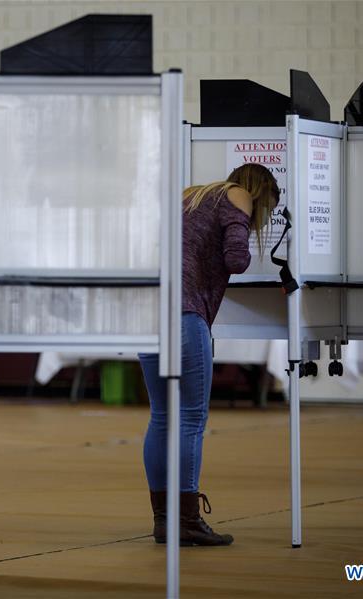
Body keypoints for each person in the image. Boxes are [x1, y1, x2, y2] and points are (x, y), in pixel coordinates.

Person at [139, 163, 279, 546]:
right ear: (261, 193)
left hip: (147, 314)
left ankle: (164, 519)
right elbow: (236, 258)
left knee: (162, 416)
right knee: (191, 418)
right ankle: (186, 521)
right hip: (184, 314)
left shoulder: (191, 195)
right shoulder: (238, 195)